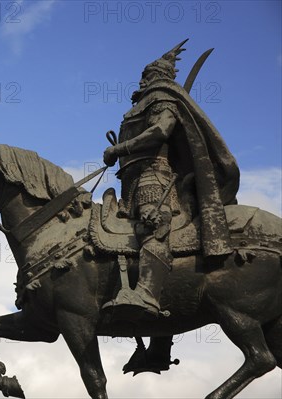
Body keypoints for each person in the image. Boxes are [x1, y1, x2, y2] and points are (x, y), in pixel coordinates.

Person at [101, 39, 240, 320]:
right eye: (142, 75)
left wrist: (120, 149)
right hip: (131, 181)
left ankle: (147, 295)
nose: (141, 80)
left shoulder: (162, 99)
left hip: (154, 176)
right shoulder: (142, 105)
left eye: (146, 75)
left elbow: (161, 132)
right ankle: (159, 344)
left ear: (157, 77)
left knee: (154, 227)